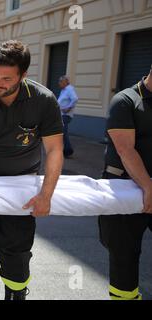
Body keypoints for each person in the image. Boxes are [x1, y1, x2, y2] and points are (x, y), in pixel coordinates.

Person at [0, 40, 64, 300]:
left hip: (22, 189)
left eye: (7, 78)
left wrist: (45, 195)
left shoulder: (43, 101)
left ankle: (16, 295)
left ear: (23, 76)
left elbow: (54, 150)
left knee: (15, 255)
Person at [98, 66, 152, 300]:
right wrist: (149, 187)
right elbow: (125, 150)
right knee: (124, 258)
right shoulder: (125, 101)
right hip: (124, 187)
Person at [57, 75, 78, 158]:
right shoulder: (64, 90)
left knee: (63, 132)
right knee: (62, 132)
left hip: (65, 115)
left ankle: (68, 150)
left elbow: (75, 98)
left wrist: (68, 108)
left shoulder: (69, 89)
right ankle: (65, 150)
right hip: (62, 115)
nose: (59, 83)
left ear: (65, 82)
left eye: (60, 82)